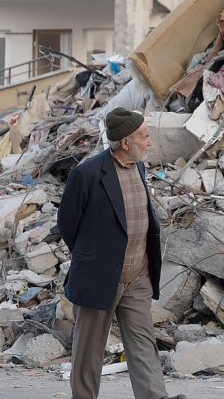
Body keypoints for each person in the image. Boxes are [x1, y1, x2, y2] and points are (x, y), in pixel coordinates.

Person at [57, 107, 185, 399]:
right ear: (125, 142)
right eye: (144, 136)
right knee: (89, 349)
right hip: (100, 276)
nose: (149, 142)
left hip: (138, 274)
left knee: (143, 342)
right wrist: (92, 258)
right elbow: (67, 222)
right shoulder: (87, 173)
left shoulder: (139, 167)